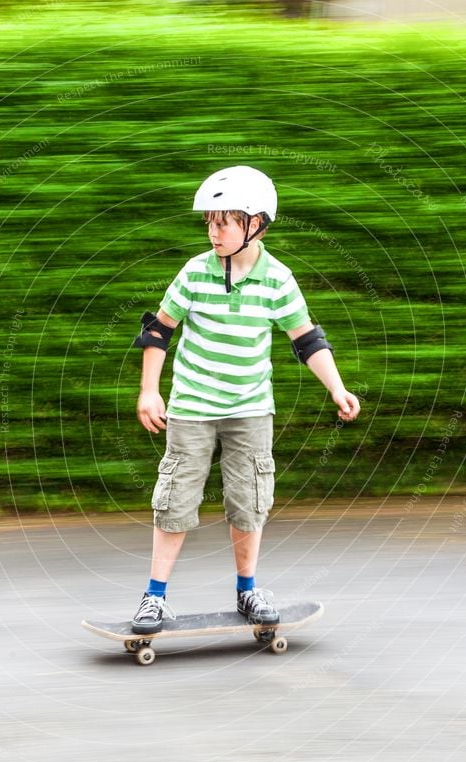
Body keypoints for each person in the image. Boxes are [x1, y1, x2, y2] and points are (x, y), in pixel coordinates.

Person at [131, 165, 360, 635]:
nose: (214, 232)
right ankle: (154, 598)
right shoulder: (195, 272)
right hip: (192, 406)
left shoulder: (278, 278)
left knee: (250, 499)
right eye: (209, 222)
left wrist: (337, 387)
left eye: (224, 222)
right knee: (174, 500)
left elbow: (307, 340)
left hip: (251, 408)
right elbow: (158, 330)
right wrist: (150, 390)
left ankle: (248, 590)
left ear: (256, 224)